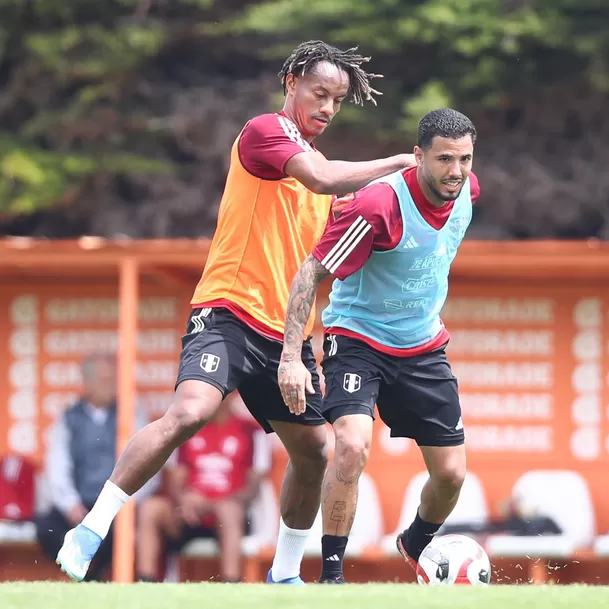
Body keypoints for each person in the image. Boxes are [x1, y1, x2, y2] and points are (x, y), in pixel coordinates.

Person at [56, 39, 416, 584]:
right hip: (227, 310)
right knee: (191, 412)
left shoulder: (320, 177)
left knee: (315, 449)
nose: (327, 108)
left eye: (337, 101)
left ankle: (285, 576)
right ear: (291, 80)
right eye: (319, 93)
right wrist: (400, 163)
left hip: (285, 337)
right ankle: (92, 528)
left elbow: (333, 211)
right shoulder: (264, 133)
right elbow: (322, 176)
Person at [277, 108, 480, 583]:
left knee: (451, 476)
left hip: (423, 345)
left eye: (465, 159)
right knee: (350, 445)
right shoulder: (378, 207)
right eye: (444, 159)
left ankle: (414, 543)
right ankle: (331, 576)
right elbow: (312, 272)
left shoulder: (468, 191)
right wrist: (291, 356)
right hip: (359, 339)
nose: (455, 171)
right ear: (417, 157)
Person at [38, 354, 157, 580]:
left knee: (119, 529)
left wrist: (125, 504)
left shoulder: (132, 413)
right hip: (80, 502)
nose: (112, 385)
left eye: (115, 379)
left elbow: (148, 462)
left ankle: (93, 578)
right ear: (87, 383)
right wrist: (70, 504)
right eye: (105, 379)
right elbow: (57, 465)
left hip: (118, 504)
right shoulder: (69, 417)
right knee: (47, 527)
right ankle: (85, 579)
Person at [135, 392, 271, 583]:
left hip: (228, 516)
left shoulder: (252, 432)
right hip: (189, 513)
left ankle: (231, 586)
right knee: (151, 508)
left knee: (229, 511)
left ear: (232, 395)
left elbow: (253, 489)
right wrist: (184, 498)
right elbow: (176, 480)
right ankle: (145, 583)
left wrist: (212, 504)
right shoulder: (186, 429)